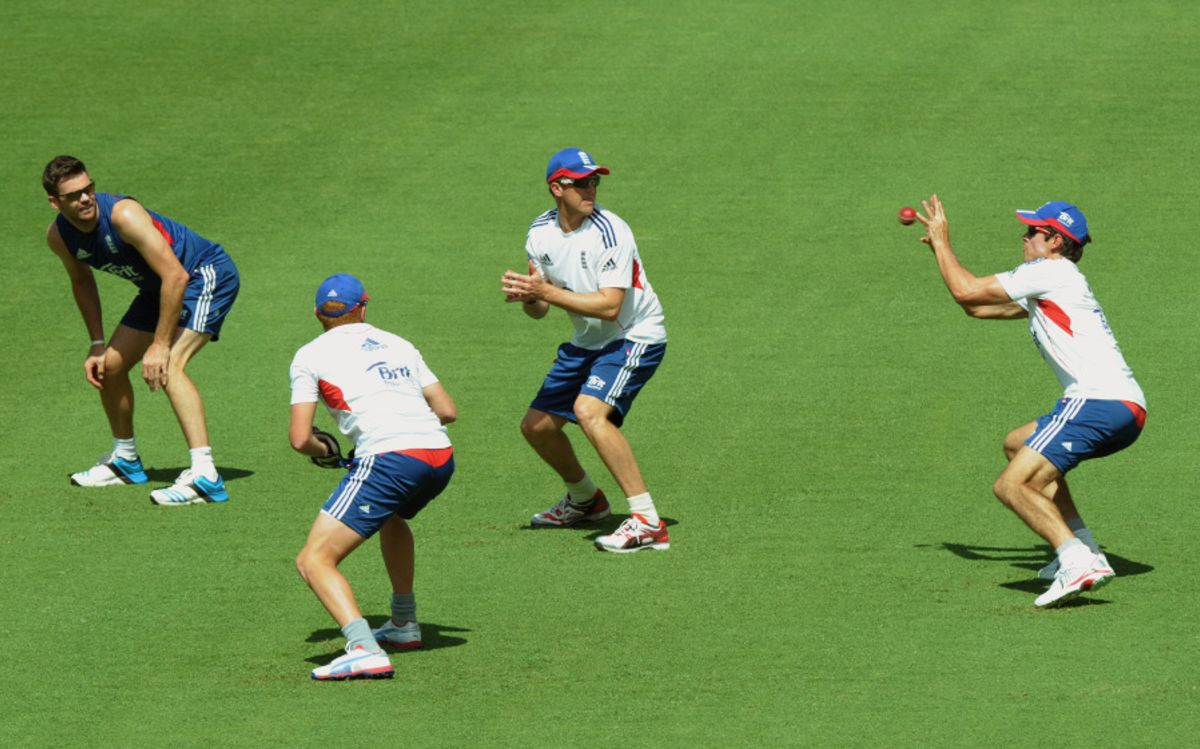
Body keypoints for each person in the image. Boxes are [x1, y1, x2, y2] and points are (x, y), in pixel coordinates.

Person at [915, 195, 1146, 607]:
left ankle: (1076, 559)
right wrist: (940, 253)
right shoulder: (1053, 285)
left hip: (1097, 402)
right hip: (1119, 407)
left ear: (1055, 241)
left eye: (1033, 231)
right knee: (1016, 444)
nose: (1024, 236)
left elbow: (966, 290)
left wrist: (943, 239)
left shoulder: (1051, 271)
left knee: (1011, 486)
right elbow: (976, 310)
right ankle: (1085, 547)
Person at [42, 155, 240, 505]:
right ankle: (125, 461)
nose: (86, 199)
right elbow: (81, 281)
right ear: (55, 202)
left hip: (202, 275)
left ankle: (205, 475)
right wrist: (96, 343)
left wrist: (161, 345)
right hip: (157, 288)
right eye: (74, 195)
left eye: (88, 189)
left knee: (170, 366)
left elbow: (176, 276)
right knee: (111, 368)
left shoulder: (123, 215)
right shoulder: (59, 236)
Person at [501, 148, 670, 553]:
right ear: (557, 188)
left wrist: (545, 292)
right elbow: (540, 310)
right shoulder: (539, 233)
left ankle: (647, 521)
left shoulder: (611, 232)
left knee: (589, 411)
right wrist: (529, 296)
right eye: (581, 182)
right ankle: (586, 500)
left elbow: (610, 305)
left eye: (594, 181)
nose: (590, 189)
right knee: (536, 427)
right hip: (588, 342)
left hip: (633, 335)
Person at [290, 273, 457, 681]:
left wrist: (326, 451)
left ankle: (364, 648)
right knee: (392, 517)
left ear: (317, 314)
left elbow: (300, 439)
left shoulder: (309, 355)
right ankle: (404, 623)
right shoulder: (399, 343)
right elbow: (447, 411)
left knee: (314, 559)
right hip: (439, 456)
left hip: (390, 460)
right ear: (363, 307)